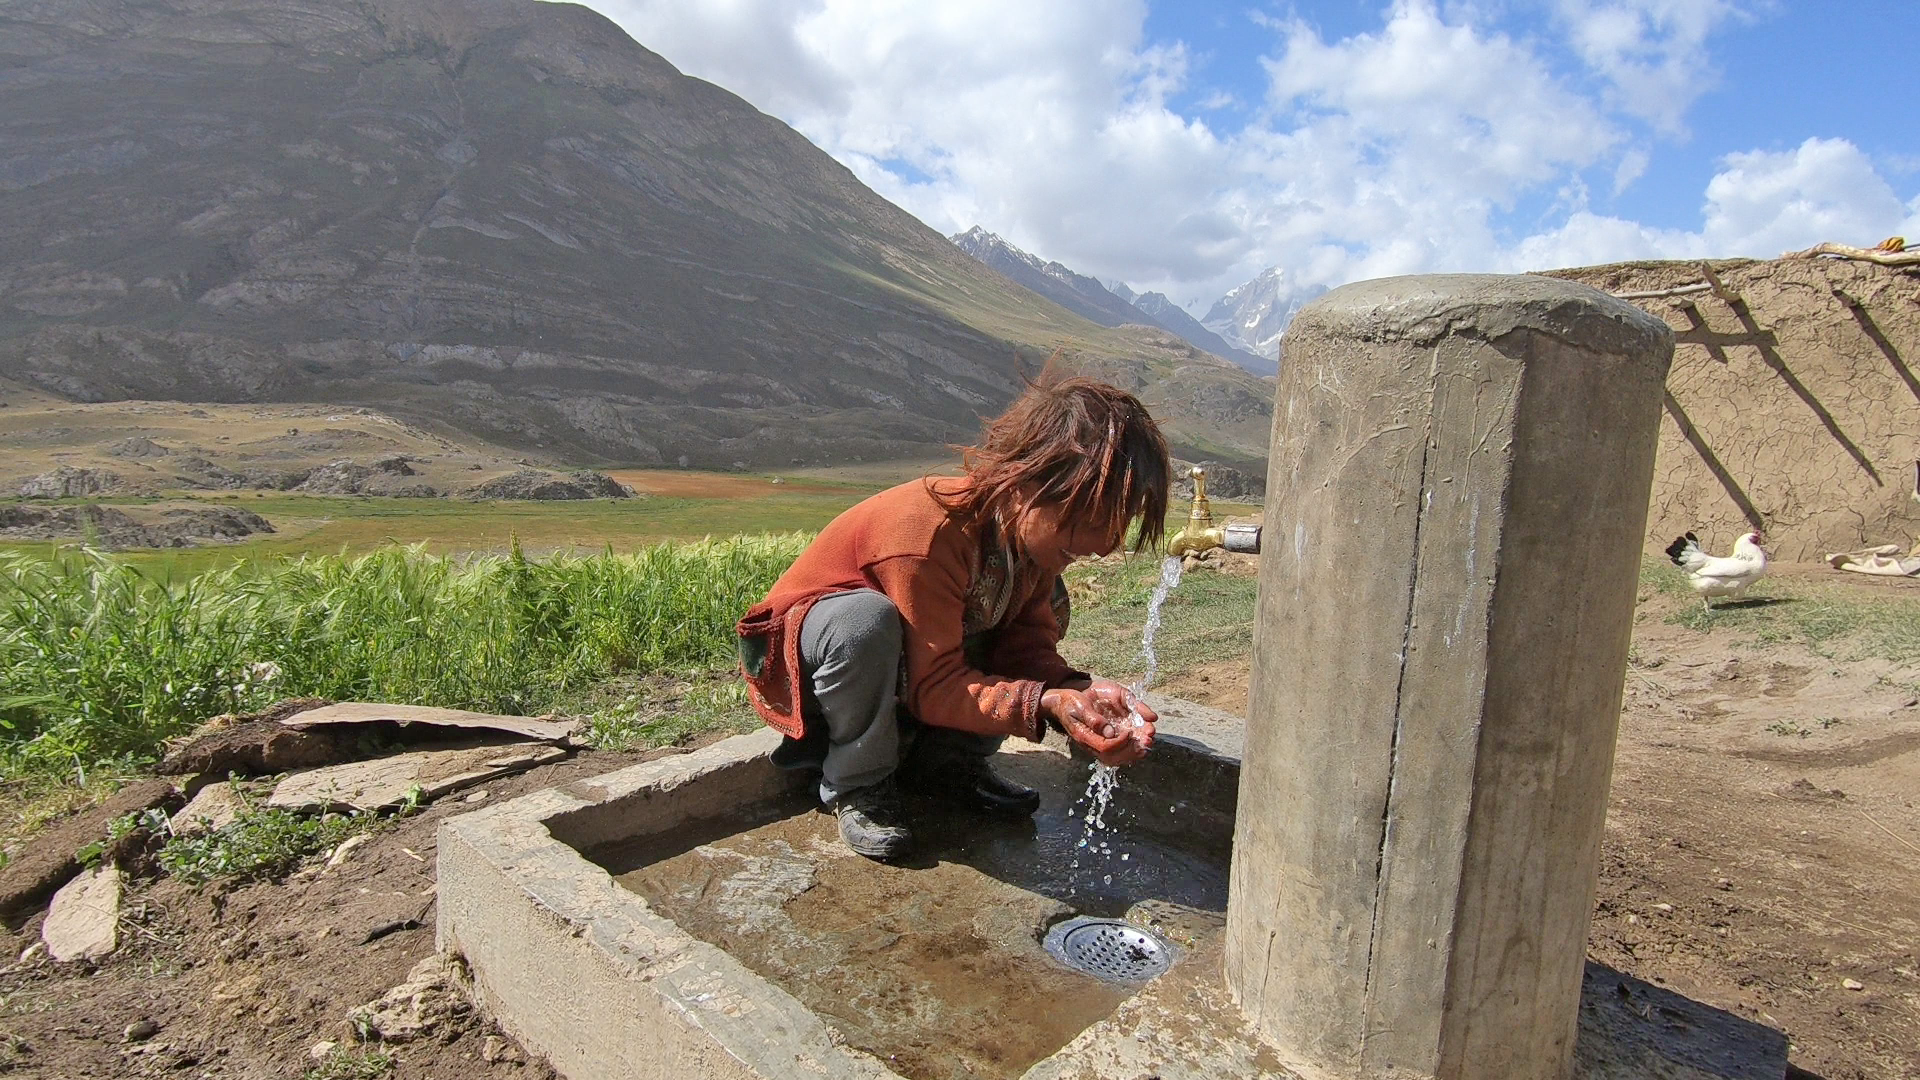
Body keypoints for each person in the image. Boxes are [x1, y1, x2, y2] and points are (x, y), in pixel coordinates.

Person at [735, 375, 1171, 860]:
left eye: (1119, 523)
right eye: (1090, 518)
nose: (1105, 543)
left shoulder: (1029, 544)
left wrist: (1076, 691)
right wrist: (1042, 703)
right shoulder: (930, 533)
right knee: (864, 622)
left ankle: (946, 767)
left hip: (906, 665)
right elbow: (934, 685)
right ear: (1027, 482)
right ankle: (857, 785)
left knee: (1012, 609)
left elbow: (1024, 652)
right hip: (810, 669)